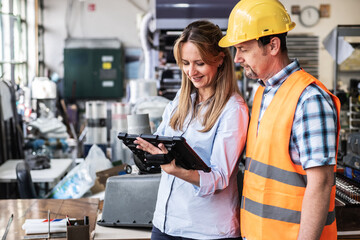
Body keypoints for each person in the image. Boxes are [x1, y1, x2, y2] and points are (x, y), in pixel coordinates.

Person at [219, 0, 341, 239]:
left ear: (273, 45)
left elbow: (321, 184)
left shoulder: (309, 99)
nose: (236, 58)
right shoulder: (262, 92)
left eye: (243, 48)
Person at [134, 20, 249, 239]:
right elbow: (161, 143)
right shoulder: (181, 101)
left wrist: (177, 170)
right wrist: (146, 154)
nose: (191, 71)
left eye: (200, 63)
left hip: (206, 231)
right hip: (165, 224)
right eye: (186, 63)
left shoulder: (233, 109)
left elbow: (220, 178)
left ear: (220, 60)